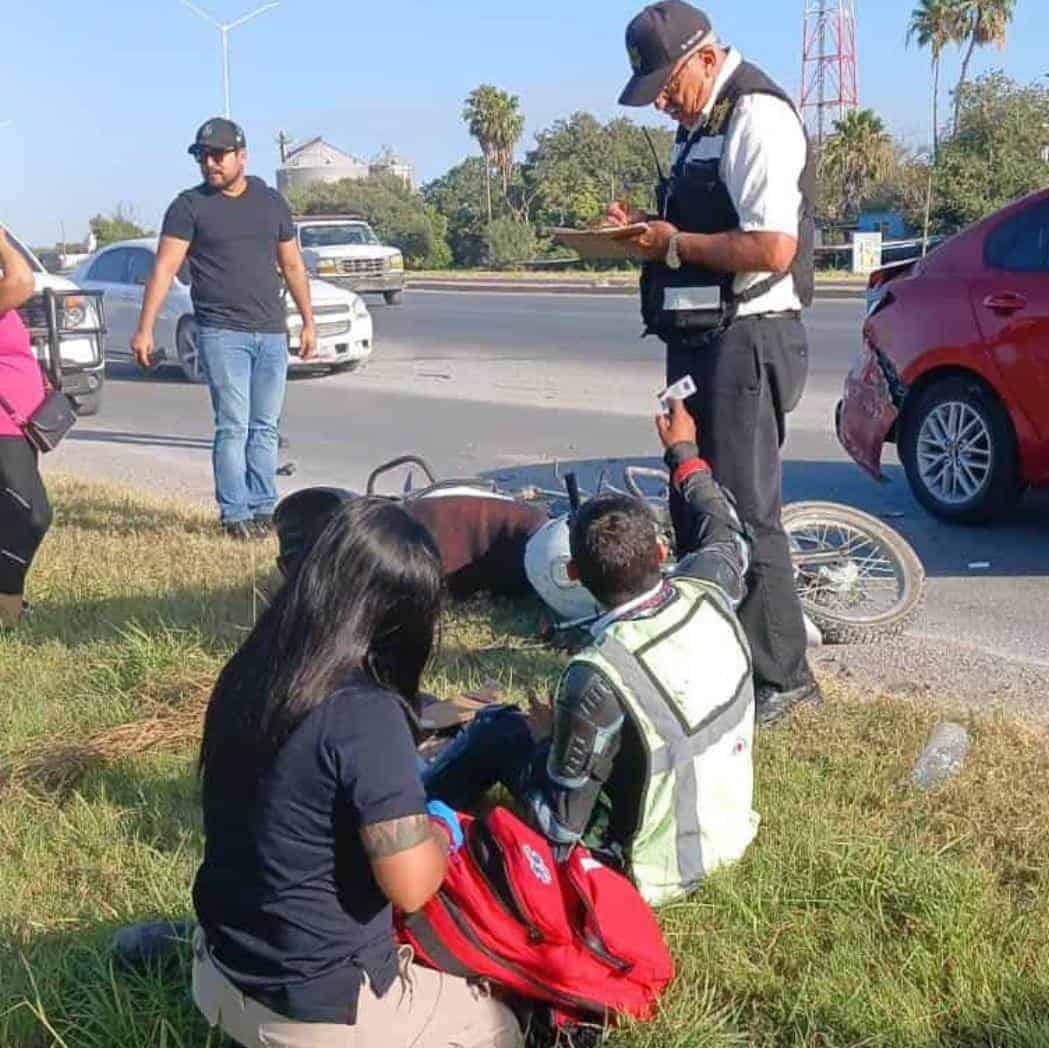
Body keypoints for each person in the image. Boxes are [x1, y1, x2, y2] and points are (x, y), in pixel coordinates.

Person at [190, 498, 521, 1047]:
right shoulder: (366, 715)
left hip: (218, 973)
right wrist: (439, 830)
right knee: (500, 1023)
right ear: (404, 616)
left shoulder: (254, 665)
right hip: (312, 1013)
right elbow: (412, 886)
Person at [422, 399, 760, 906]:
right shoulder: (710, 589)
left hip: (654, 871)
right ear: (663, 554)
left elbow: (557, 828)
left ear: (575, 576)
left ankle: (406, 812)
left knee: (498, 728)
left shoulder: (597, 675)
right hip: (731, 828)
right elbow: (725, 528)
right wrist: (683, 454)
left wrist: (543, 737)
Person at [605, 0, 820, 725]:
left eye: (668, 85)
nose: (662, 101)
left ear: (705, 56)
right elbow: (699, 227)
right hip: (696, 335)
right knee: (691, 492)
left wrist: (672, 243)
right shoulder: (700, 126)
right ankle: (716, 652)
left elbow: (771, 247)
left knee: (745, 511)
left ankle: (783, 676)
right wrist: (645, 233)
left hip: (746, 340)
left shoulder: (757, 115)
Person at [131, 118, 316, 539]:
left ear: (242, 156)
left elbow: (291, 264)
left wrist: (308, 321)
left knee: (265, 426)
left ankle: (262, 508)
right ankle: (235, 514)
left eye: (218, 155)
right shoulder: (188, 206)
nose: (209, 164)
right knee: (233, 424)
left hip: (270, 331)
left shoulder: (271, 203)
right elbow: (164, 268)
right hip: (220, 332)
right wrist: (144, 329)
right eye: (202, 156)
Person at [0, 226, 49, 630]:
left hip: (17, 422)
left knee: (13, 513)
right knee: (29, 515)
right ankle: (9, 609)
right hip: (2, 425)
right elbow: (23, 281)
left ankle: (9, 606)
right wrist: (2, 241)